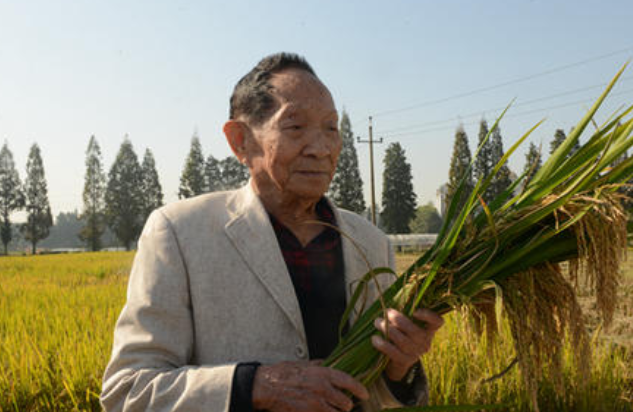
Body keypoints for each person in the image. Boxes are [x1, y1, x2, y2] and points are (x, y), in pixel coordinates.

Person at [100, 52, 444, 412]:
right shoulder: (180, 233)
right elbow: (129, 391)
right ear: (240, 141)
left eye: (331, 128)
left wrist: (398, 369)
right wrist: (255, 385)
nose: (322, 148)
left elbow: (373, 395)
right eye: (295, 127)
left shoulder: (370, 244)